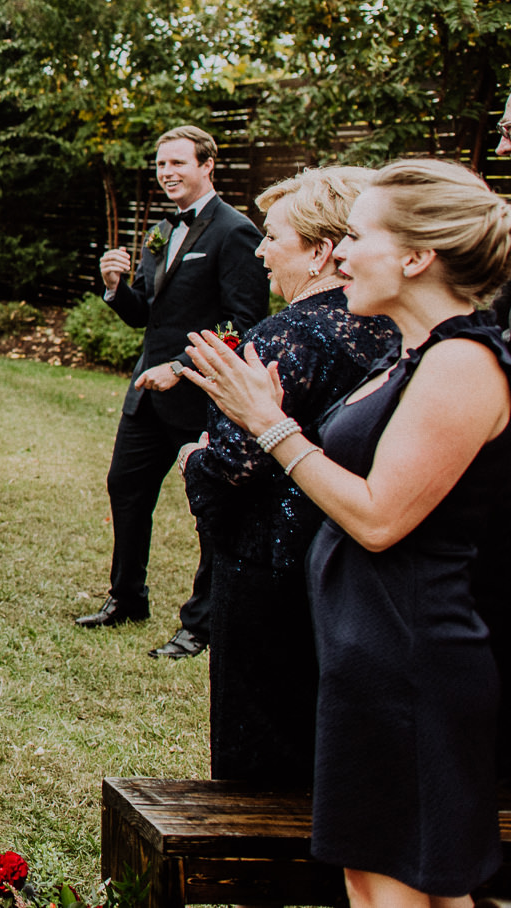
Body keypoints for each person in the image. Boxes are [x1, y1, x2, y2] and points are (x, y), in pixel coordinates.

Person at [185, 158, 511, 908]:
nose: (341, 253)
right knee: (378, 881)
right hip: (371, 652)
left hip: (412, 659)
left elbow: (377, 516)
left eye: (357, 236)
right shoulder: (414, 355)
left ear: (415, 256)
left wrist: (268, 425)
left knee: (404, 887)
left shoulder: (463, 362)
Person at [180, 166, 395, 786]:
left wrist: (196, 461)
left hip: (269, 569)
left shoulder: (285, 335)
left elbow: (233, 466)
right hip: (353, 571)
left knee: (264, 755)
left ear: (321, 251)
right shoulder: (392, 331)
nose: (261, 250)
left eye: (273, 236)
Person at [78, 124, 269, 660]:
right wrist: (116, 289)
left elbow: (243, 323)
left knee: (209, 511)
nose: (167, 174)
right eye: (161, 165)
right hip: (148, 395)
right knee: (126, 488)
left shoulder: (235, 232)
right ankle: (127, 599)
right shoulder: (159, 231)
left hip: (201, 396)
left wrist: (182, 367)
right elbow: (147, 313)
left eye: (178, 164)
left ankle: (202, 623)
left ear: (208, 165)